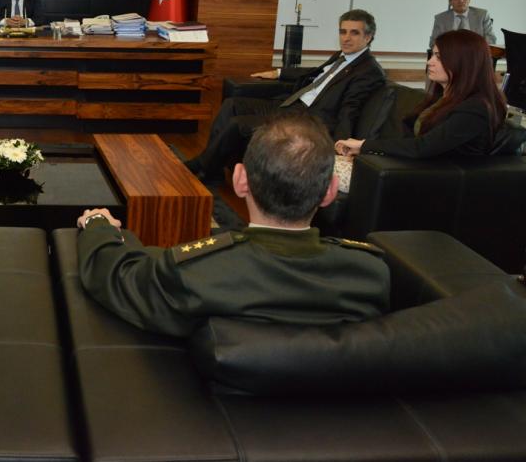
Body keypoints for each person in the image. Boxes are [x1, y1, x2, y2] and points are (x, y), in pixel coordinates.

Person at [76, 113, 390, 338]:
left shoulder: (197, 272)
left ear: (240, 180)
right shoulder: (370, 273)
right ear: (329, 191)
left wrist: (98, 225)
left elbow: (118, 277)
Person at [186, 9, 386, 183]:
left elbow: (350, 108)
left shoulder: (368, 71)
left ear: (368, 37)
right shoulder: (342, 56)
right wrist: (279, 73)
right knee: (232, 104)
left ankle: (203, 165)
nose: (346, 38)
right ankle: (213, 169)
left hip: (307, 118)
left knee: (238, 124)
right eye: (343, 31)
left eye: (354, 33)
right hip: (292, 104)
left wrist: (340, 144)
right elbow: (315, 73)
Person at [336, 29, 506, 160]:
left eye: (439, 57)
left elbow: (422, 147)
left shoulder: (475, 108)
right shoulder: (442, 98)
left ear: (463, 63)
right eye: (432, 55)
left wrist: (364, 146)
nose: (429, 62)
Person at [428, 0, 496, 50]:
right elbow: (433, 43)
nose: (461, 1)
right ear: (450, 2)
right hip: (451, 55)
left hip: (476, 54)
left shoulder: (482, 15)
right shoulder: (441, 18)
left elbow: (491, 39)